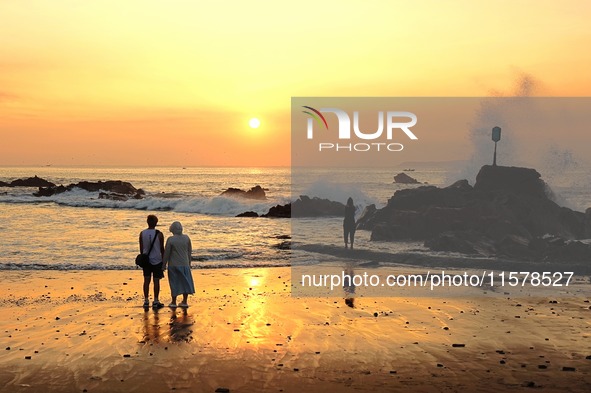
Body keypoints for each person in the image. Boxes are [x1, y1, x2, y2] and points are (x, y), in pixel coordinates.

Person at [163, 221, 195, 308]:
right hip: (185, 264)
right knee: (185, 282)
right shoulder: (186, 238)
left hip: (173, 265)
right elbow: (189, 252)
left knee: (174, 283)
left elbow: (167, 253)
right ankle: (184, 301)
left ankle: (173, 301)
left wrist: (163, 265)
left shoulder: (171, 239)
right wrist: (189, 263)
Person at [139, 214, 165, 309]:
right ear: (156, 223)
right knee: (156, 280)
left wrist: (143, 257)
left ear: (147, 222)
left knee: (146, 280)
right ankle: (156, 300)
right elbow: (162, 248)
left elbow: (141, 249)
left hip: (146, 260)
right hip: (157, 260)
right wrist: (164, 260)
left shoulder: (142, 233)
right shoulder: (159, 234)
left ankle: (146, 300)